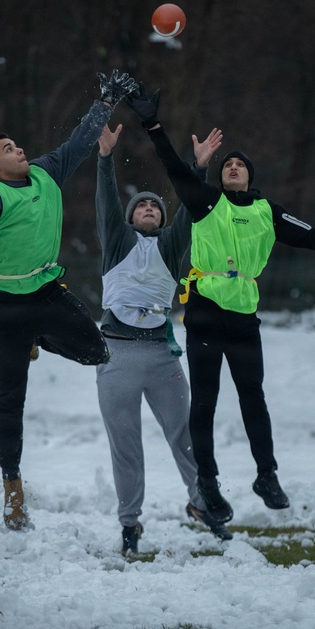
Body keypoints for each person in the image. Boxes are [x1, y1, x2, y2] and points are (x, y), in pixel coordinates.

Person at [124, 85, 315, 525]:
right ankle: (207, 483)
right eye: (227, 164)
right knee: (205, 401)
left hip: (245, 317)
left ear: (249, 177)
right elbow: (174, 168)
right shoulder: (206, 202)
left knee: (254, 397)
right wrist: (153, 126)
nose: (232, 167)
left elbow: (309, 236)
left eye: (239, 165)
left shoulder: (267, 209)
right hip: (206, 313)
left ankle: (266, 475)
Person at [0, 69, 138, 531]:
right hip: (3, 309)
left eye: (17, 144)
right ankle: (12, 489)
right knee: (10, 397)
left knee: (97, 351)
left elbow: (80, 140)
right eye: (8, 149)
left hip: (47, 294)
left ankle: (39, 337)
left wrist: (106, 101)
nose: (18, 149)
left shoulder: (46, 172)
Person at [94, 123, 233, 554]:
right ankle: (129, 524)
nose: (151, 207)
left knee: (185, 436)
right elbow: (105, 204)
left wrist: (199, 168)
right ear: (130, 217)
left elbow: (191, 208)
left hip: (160, 357)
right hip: (115, 355)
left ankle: (202, 504)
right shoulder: (116, 242)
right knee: (126, 446)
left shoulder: (172, 248)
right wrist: (104, 160)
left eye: (156, 205)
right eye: (142, 206)